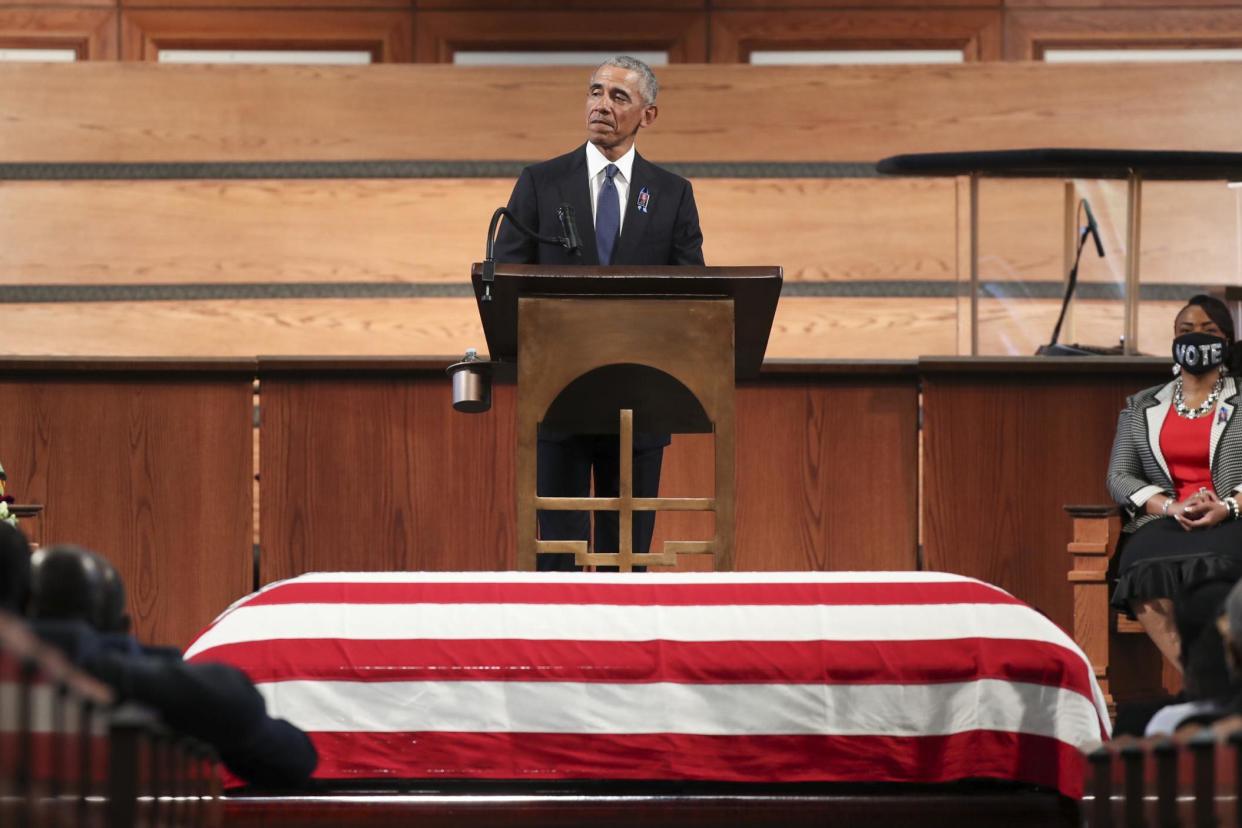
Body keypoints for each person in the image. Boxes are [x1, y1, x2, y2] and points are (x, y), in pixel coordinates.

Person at [493, 55, 704, 570]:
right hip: (559, 393)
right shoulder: (541, 183)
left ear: (647, 115)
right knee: (559, 555)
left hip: (641, 398)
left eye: (618, 97)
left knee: (625, 559)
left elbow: (692, 296)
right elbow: (505, 281)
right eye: (595, 92)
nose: (601, 105)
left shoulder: (673, 194)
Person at [1107, 294, 1242, 669]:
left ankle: (1228, 680)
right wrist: (1170, 505)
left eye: (1208, 331)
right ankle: (1200, 681)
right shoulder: (1142, 405)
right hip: (1167, 518)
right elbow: (1118, 476)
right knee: (1141, 569)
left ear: (1227, 341)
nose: (1196, 338)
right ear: (1173, 340)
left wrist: (1228, 505)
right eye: (1186, 331)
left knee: (1220, 564)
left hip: (1233, 516)